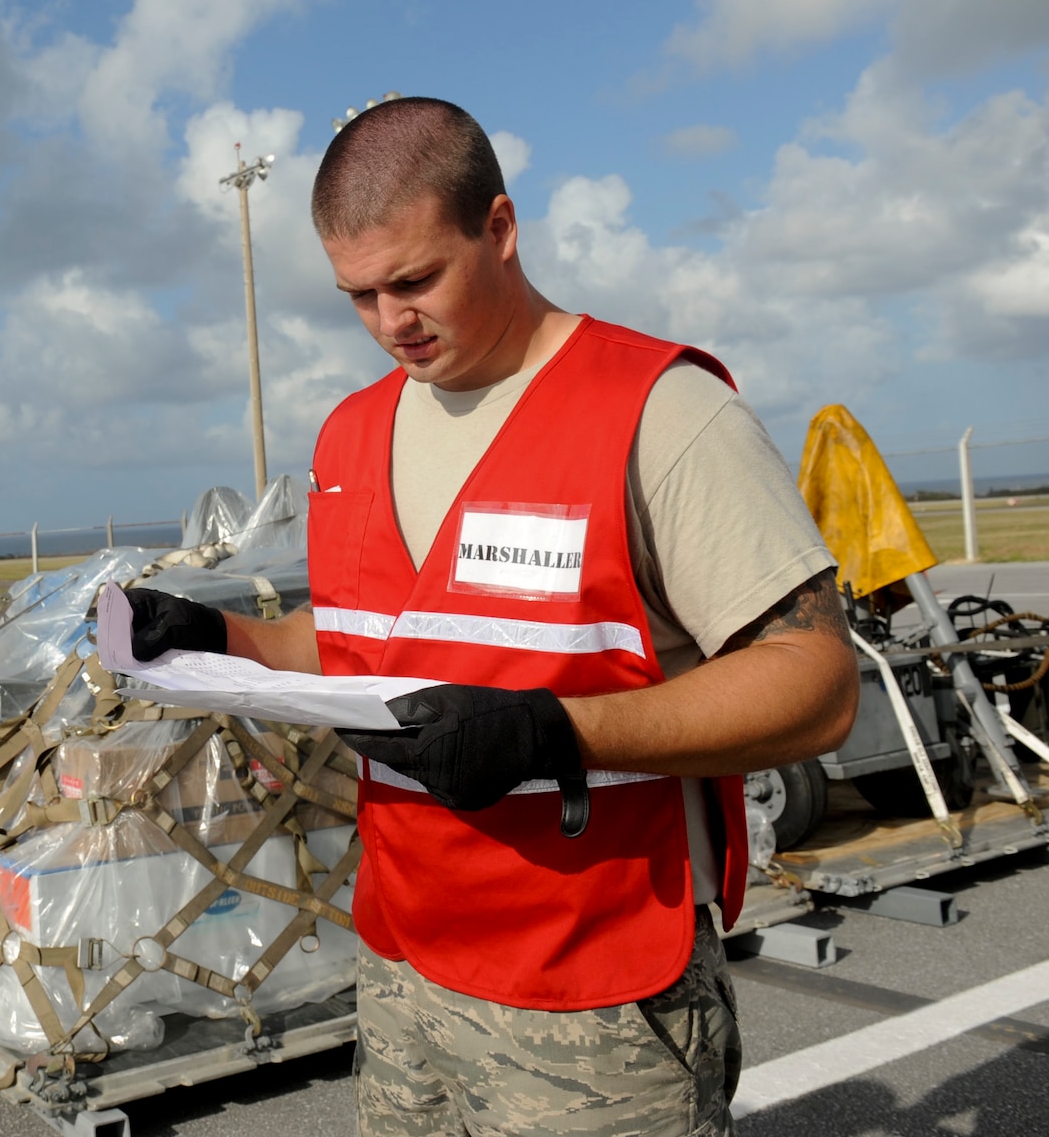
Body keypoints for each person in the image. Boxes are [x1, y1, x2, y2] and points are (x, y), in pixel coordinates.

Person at [126, 99, 858, 1135]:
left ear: (499, 229)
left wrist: (550, 731)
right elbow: (349, 644)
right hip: (400, 964)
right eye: (358, 295)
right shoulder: (351, 432)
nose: (390, 322)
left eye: (414, 280)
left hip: (594, 987)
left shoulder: (656, 410)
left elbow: (814, 676)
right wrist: (214, 638)